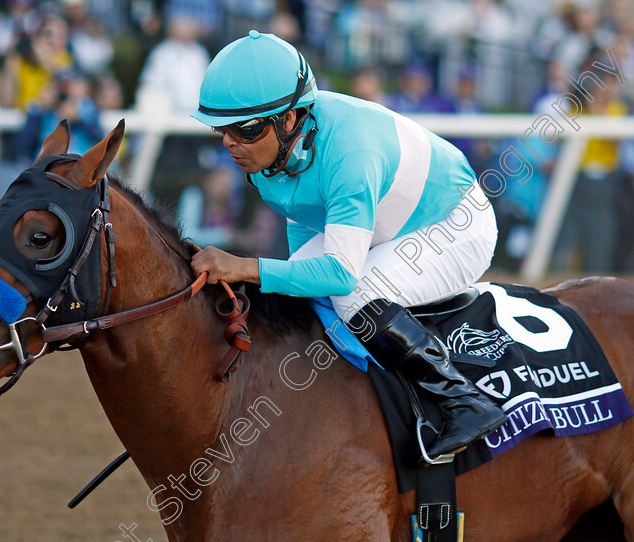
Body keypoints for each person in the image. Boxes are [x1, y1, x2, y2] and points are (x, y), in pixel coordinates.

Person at [188, 31, 505, 458]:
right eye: (221, 129)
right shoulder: (273, 153)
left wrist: (244, 266)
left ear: (289, 119)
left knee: (356, 293)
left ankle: (463, 401)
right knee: (301, 289)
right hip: (389, 222)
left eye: (244, 130)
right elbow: (304, 233)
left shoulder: (350, 154)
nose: (229, 143)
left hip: (455, 225)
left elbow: (340, 273)